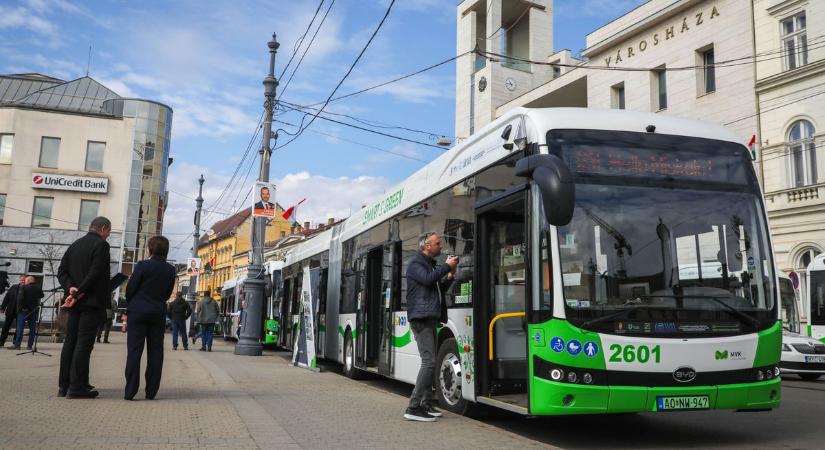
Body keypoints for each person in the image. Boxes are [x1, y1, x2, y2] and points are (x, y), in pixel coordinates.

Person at [403, 232, 457, 422]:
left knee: (429, 362)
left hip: (430, 317)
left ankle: (426, 403)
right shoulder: (416, 263)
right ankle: (413, 406)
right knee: (430, 362)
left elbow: (437, 287)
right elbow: (427, 279)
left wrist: (449, 275)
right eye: (437, 243)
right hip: (421, 318)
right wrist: (446, 266)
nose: (440, 246)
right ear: (427, 246)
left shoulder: (428, 265)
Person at [57, 216, 112, 399]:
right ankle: (77, 387)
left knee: (70, 341)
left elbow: (61, 271)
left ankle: (64, 385)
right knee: (84, 344)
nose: (108, 236)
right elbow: (95, 274)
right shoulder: (101, 246)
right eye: (108, 232)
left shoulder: (75, 244)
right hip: (91, 302)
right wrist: (79, 292)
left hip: (75, 302)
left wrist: (70, 288)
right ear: (103, 228)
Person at [124, 236, 175, 401]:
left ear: (150, 249)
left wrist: (132, 303)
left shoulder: (142, 265)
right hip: (157, 313)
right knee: (156, 352)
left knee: (134, 351)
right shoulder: (170, 269)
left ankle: (130, 391)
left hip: (138, 311)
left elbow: (131, 288)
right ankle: (151, 391)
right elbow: (167, 294)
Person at [10, 276, 44, 350]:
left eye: (25, 280)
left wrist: (18, 309)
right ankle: (29, 346)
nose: (24, 282)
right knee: (32, 329)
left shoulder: (23, 287)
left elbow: (20, 299)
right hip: (33, 311)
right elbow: (42, 295)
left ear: (28, 281)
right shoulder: (38, 288)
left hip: (23, 311)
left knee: (20, 328)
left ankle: (17, 345)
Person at [0, 276, 25, 347]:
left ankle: (15, 342)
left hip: (20, 312)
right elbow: (6, 297)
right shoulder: (14, 287)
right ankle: (1, 341)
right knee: (6, 327)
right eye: (21, 280)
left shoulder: (26, 288)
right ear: (19, 280)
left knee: (18, 328)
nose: (22, 281)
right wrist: (3, 307)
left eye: (24, 280)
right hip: (11, 310)